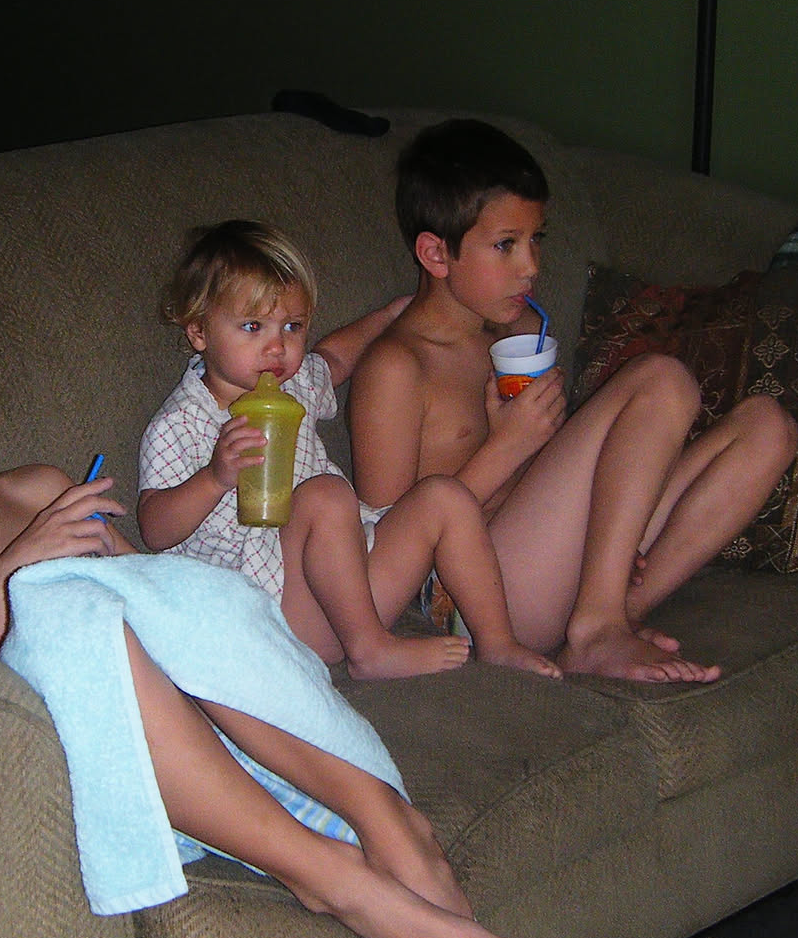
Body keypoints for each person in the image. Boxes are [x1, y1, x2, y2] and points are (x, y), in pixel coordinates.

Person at [0, 260, 523, 938]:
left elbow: (167, 604)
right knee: (62, 606)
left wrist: (90, 557)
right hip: (111, 751)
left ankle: (383, 819)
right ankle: (330, 875)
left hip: (218, 713)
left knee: (175, 591)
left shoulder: (35, 489)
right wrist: (10, 574)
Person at [349, 120, 798, 684]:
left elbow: (555, 480)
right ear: (436, 254)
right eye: (506, 245)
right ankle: (596, 627)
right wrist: (510, 447)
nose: (531, 266)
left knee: (768, 427)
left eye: (536, 239)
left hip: (547, 566)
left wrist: (596, 520)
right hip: (471, 597)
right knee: (660, 379)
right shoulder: (397, 366)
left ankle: (612, 613)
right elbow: (384, 545)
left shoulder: (512, 339)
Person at [136, 221, 561, 683]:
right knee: (326, 495)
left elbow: (335, 358)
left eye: (293, 326)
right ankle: (369, 650)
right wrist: (214, 477)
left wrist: (388, 316)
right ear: (199, 331)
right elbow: (155, 529)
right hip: (267, 612)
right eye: (253, 326)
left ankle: (497, 642)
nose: (277, 346)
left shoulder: (294, 384)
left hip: (348, 589)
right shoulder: (181, 423)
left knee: (444, 495)